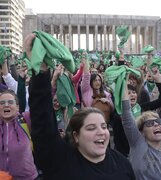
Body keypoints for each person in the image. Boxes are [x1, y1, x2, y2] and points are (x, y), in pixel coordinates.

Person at [26, 33, 136, 180]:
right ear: (76, 136)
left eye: (103, 126)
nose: (101, 132)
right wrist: (40, 71)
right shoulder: (60, 161)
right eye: (91, 128)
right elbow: (43, 124)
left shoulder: (122, 164)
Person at [121, 82, 161, 180]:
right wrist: (123, 80)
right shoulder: (138, 145)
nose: (156, 124)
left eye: (158, 121)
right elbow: (126, 113)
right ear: (142, 132)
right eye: (150, 123)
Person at [0, 90, 38, 180]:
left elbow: (42, 109)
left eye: (10, 102)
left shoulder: (26, 119)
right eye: (2, 103)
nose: (6, 105)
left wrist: (52, 87)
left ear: (17, 107)